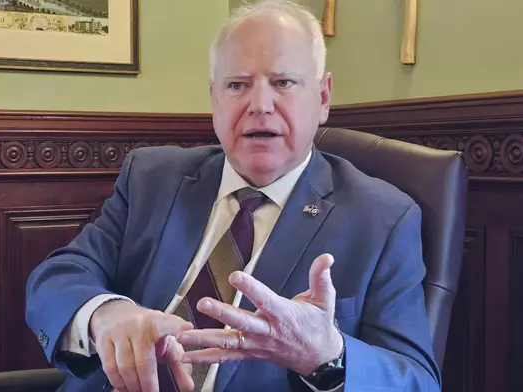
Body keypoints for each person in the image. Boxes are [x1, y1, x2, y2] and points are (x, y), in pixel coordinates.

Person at [25, 0, 441, 391]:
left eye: (283, 82)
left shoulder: (382, 217)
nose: (260, 105)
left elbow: (417, 380)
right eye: (238, 85)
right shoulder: (151, 177)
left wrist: (327, 356)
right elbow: (59, 275)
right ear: (214, 98)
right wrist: (105, 313)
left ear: (323, 98)